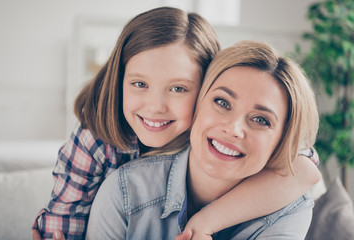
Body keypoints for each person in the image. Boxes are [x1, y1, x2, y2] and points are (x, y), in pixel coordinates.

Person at [32, 7, 319, 240]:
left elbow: (304, 170)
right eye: (139, 84)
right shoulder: (97, 142)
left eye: (178, 88)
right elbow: (61, 224)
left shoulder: (227, 136)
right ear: (119, 82)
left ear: (206, 85)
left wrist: (205, 222)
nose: (156, 106)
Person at [85, 40, 319, 239]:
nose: (233, 129)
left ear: (282, 140)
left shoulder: (290, 211)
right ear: (197, 103)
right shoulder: (124, 192)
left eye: (261, 120)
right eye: (222, 102)